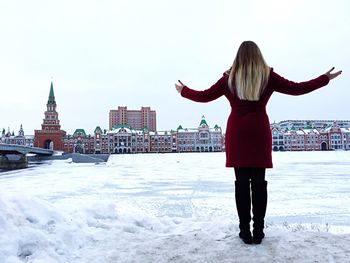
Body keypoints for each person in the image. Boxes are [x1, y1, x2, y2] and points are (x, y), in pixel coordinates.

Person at [175, 41, 342, 245]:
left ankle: (244, 231)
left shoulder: (229, 79)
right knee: (259, 183)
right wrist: (324, 79)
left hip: (237, 132)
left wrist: (183, 90)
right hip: (259, 132)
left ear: (238, 57)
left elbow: (204, 96)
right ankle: (259, 231)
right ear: (258, 55)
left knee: (241, 183)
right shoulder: (267, 76)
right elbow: (298, 89)